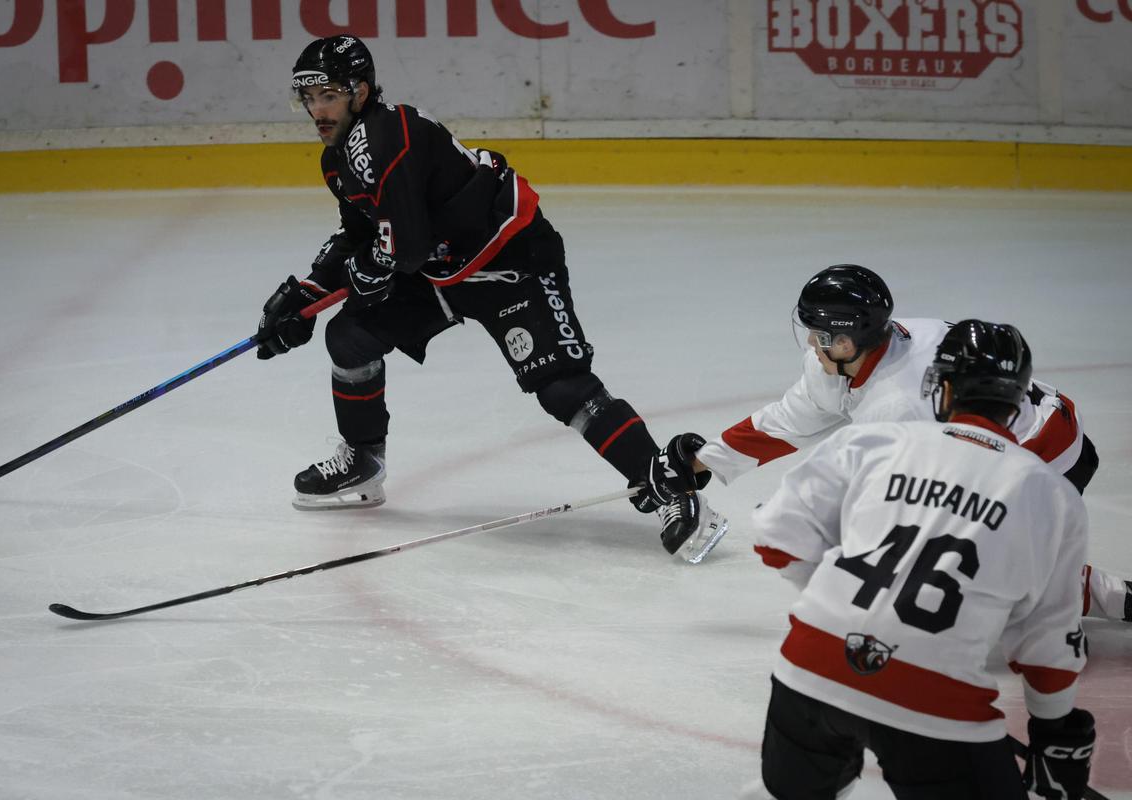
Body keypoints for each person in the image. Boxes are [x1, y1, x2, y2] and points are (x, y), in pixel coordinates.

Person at [253, 35, 726, 559]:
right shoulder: (338, 159)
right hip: (443, 271)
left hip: (510, 263)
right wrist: (306, 294)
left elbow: (402, 247)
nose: (318, 111)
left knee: (563, 387)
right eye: (310, 98)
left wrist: (367, 269)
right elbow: (362, 236)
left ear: (360, 92)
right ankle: (363, 461)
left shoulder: (391, 132)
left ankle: (670, 487)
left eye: (329, 96)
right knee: (350, 336)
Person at [644, 264, 1127, 619]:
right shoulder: (858, 354)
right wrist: (699, 461)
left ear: (846, 341)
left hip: (1045, 451)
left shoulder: (896, 406)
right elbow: (791, 420)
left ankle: (1107, 596)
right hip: (993, 438)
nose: (811, 343)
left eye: (819, 334)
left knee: (964, 575)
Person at [751, 320, 1095, 799]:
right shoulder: (1053, 495)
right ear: (1017, 402)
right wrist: (1053, 727)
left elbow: (775, 536)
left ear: (944, 388)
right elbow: (1048, 644)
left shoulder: (876, 441)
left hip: (810, 670)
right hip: (935, 700)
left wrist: (844, 601)